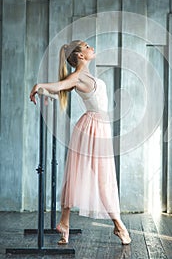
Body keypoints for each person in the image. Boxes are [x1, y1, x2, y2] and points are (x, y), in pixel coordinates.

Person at [30, 40, 131, 245]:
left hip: (98, 127)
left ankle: (64, 223)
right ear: (80, 56)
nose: (91, 47)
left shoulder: (86, 75)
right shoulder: (77, 76)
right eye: (86, 46)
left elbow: (62, 88)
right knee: (100, 178)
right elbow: (62, 85)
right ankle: (119, 226)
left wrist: (52, 92)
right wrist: (40, 86)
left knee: (92, 177)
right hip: (92, 128)